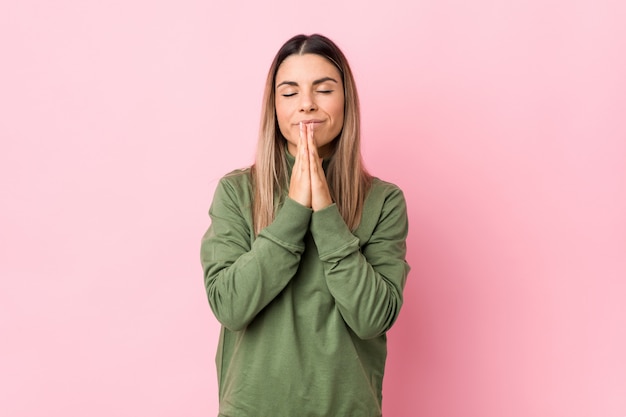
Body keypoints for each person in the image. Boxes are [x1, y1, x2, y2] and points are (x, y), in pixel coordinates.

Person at [200, 34, 410, 417]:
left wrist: (326, 213)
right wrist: (294, 211)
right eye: (289, 92)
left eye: (324, 89)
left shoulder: (384, 201)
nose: (307, 104)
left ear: (346, 100)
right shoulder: (236, 192)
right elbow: (230, 306)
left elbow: (372, 318)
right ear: (274, 106)